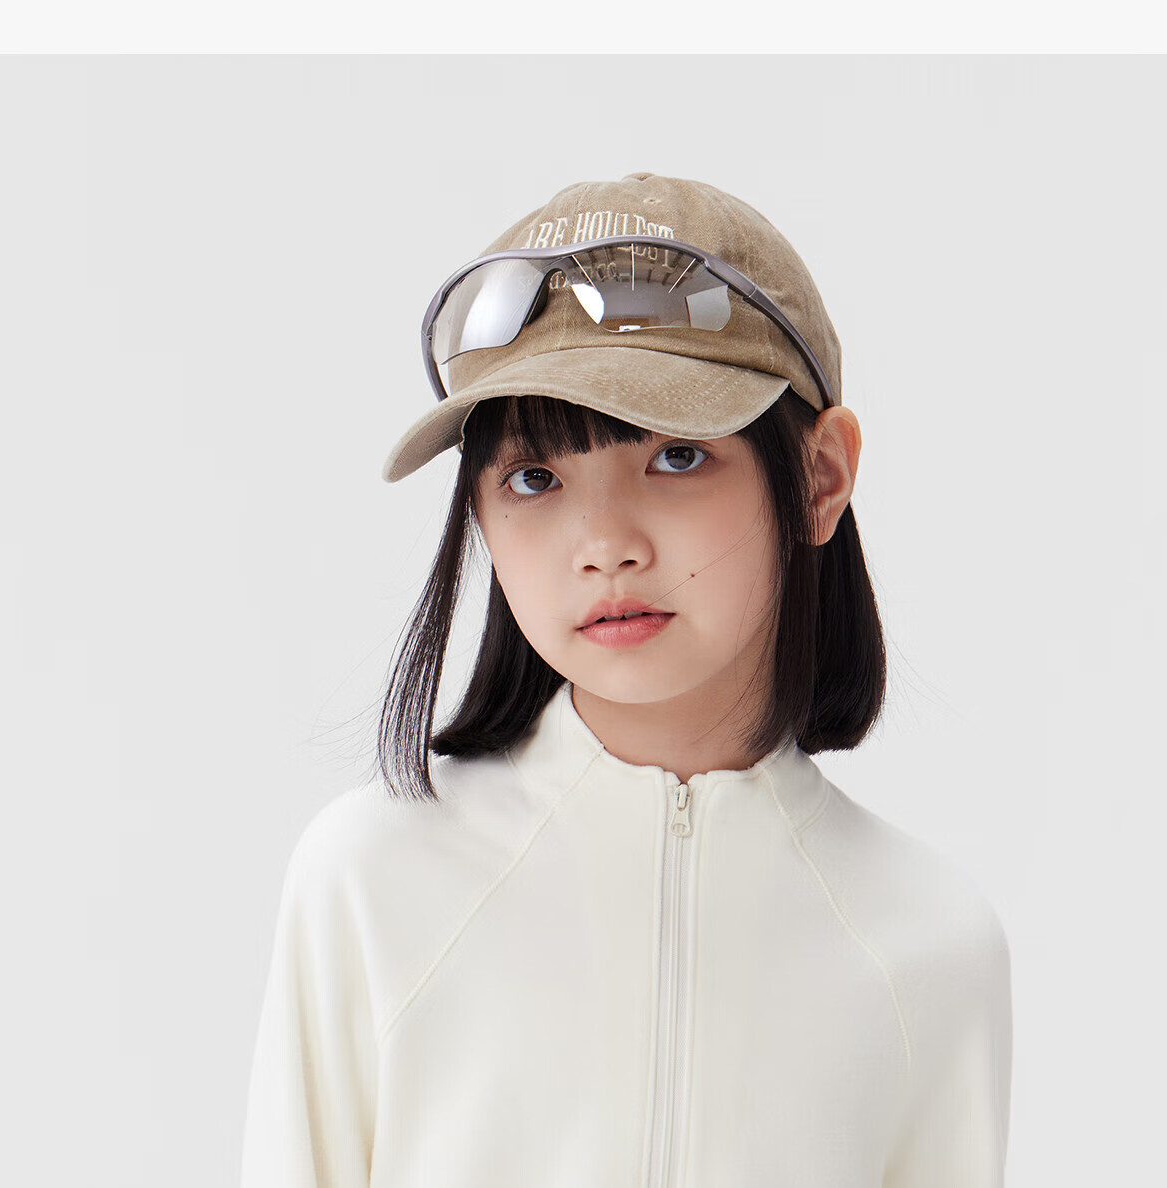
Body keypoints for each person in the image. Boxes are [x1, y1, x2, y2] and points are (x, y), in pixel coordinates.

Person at [239, 172, 1013, 1187]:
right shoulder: (369, 882)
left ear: (819, 477)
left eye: (678, 457)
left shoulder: (931, 945)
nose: (604, 544)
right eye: (534, 478)